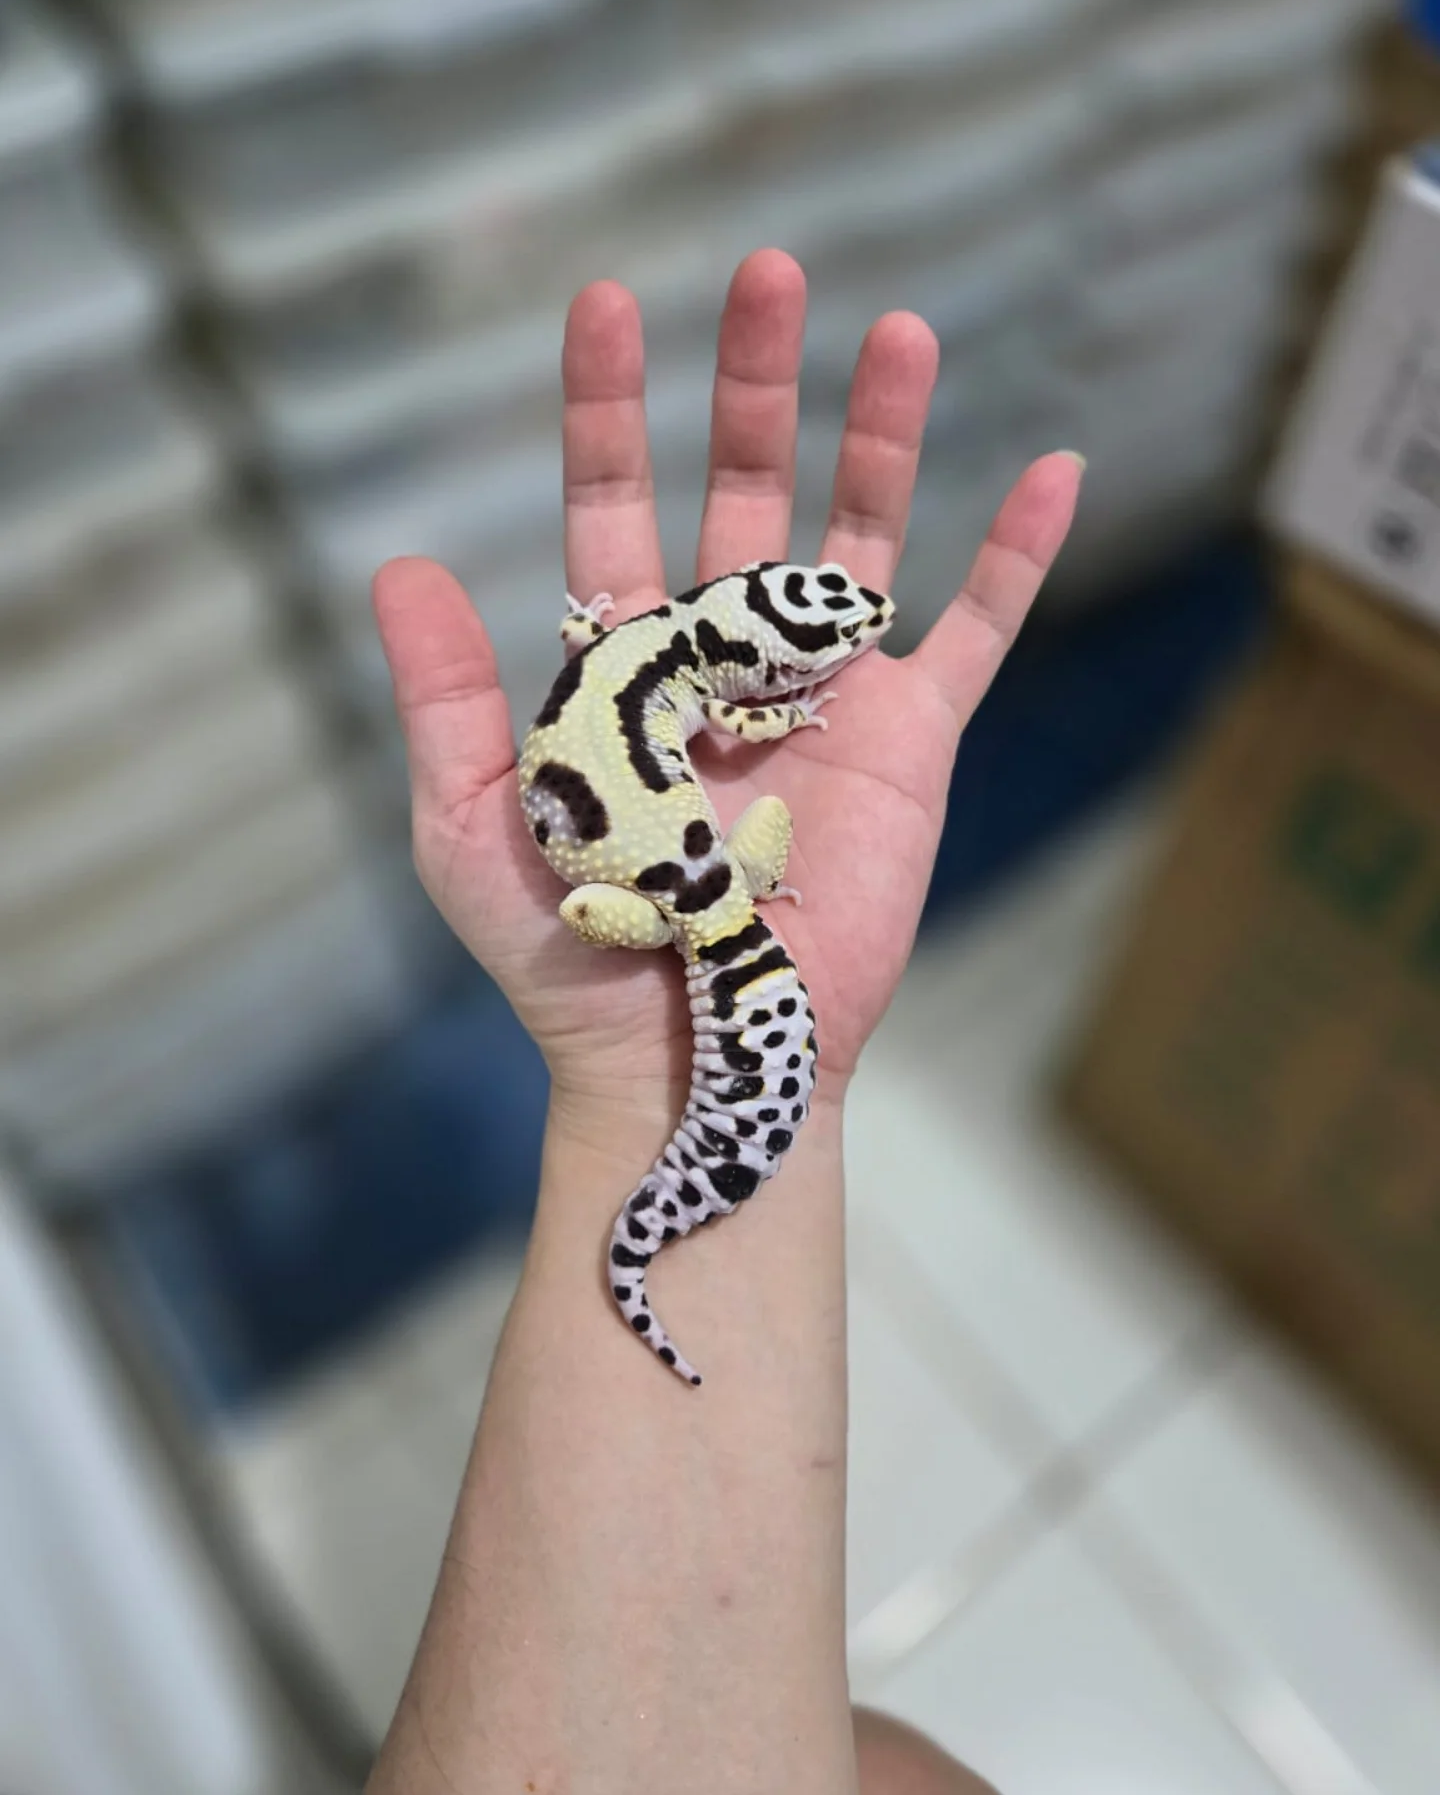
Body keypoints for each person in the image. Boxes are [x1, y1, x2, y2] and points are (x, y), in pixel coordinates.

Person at [366, 249, 1081, 1795]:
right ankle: (655, 1232)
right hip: (670, 885)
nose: (846, 637)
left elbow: (702, 704)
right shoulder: (707, 712)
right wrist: (665, 973)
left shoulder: (653, 657)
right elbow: (738, 729)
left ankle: (663, 1224)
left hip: (668, 868)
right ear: (748, 637)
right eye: (822, 635)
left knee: (903, 1766)